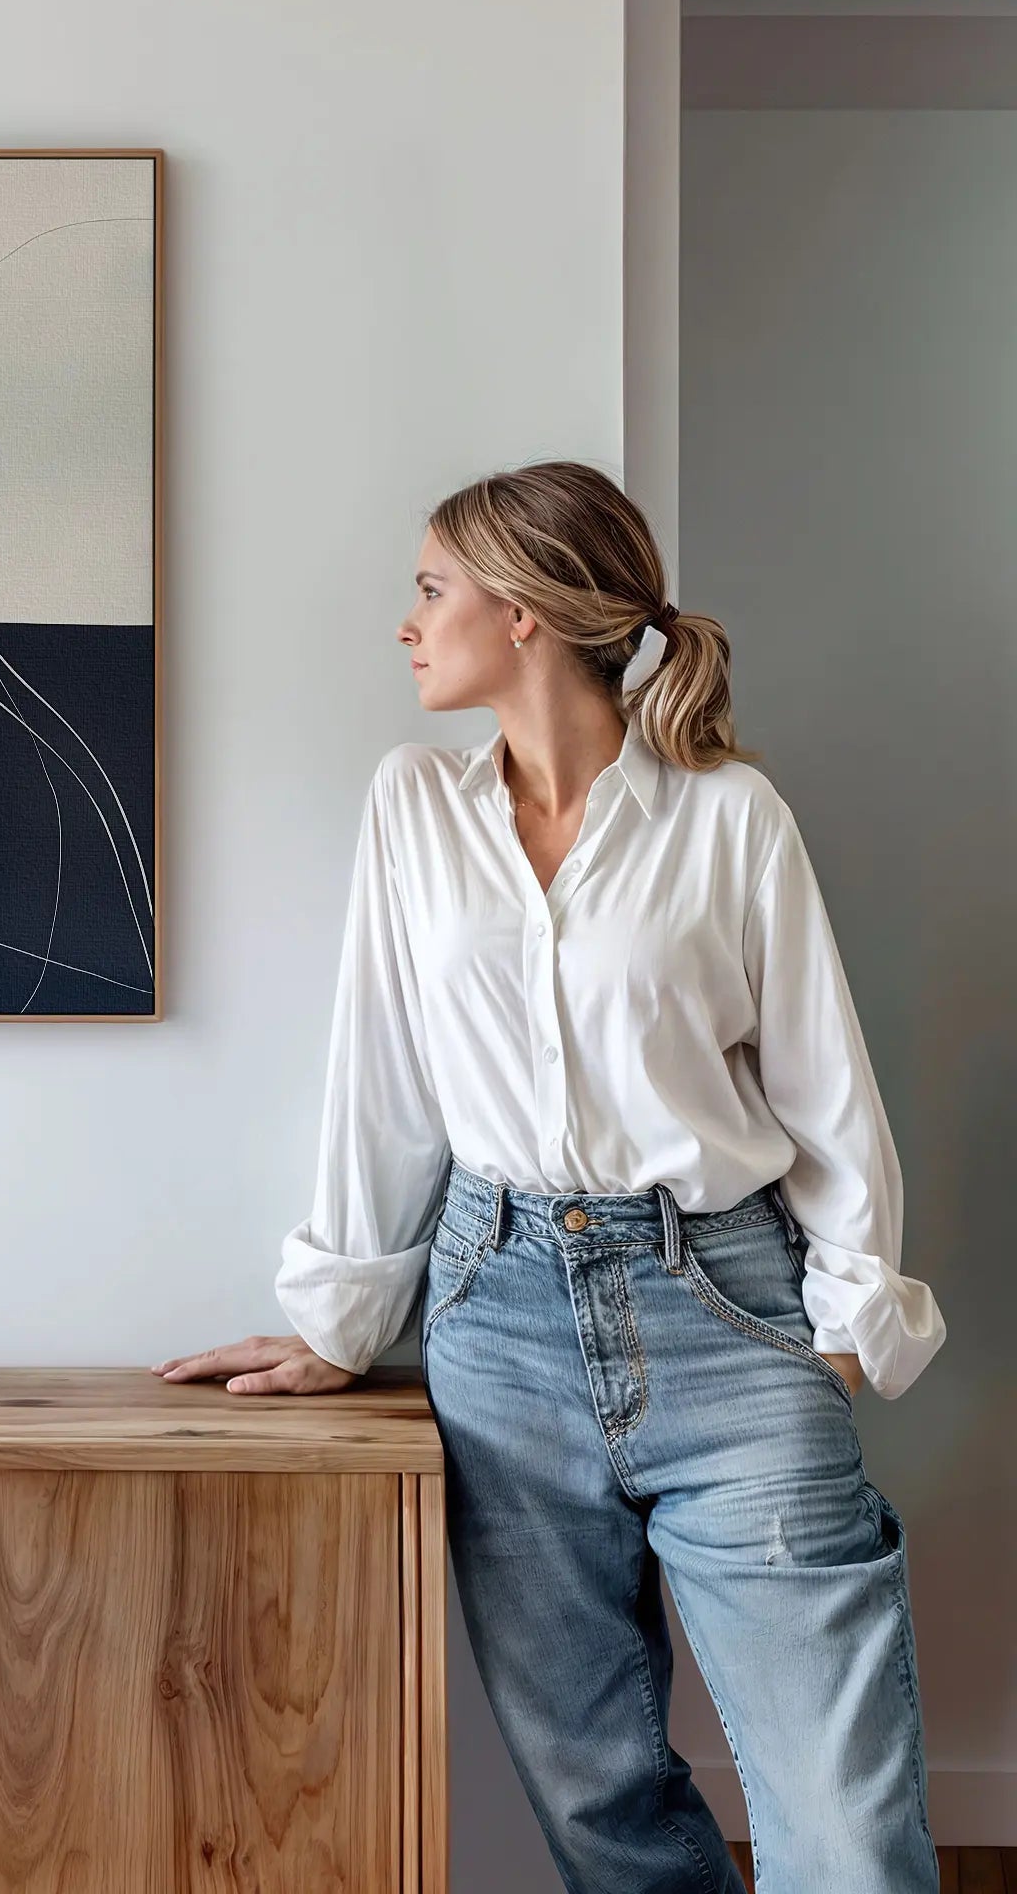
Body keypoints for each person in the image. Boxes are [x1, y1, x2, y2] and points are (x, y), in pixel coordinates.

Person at [152, 462, 945, 1893]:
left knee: (844, 1823)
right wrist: (342, 1319)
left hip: (727, 1309)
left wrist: (841, 1333)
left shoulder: (729, 817)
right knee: (599, 1803)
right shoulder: (413, 807)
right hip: (499, 1323)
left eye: (431, 590)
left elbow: (826, 1088)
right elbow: (383, 1078)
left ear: (522, 613)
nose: (407, 624)